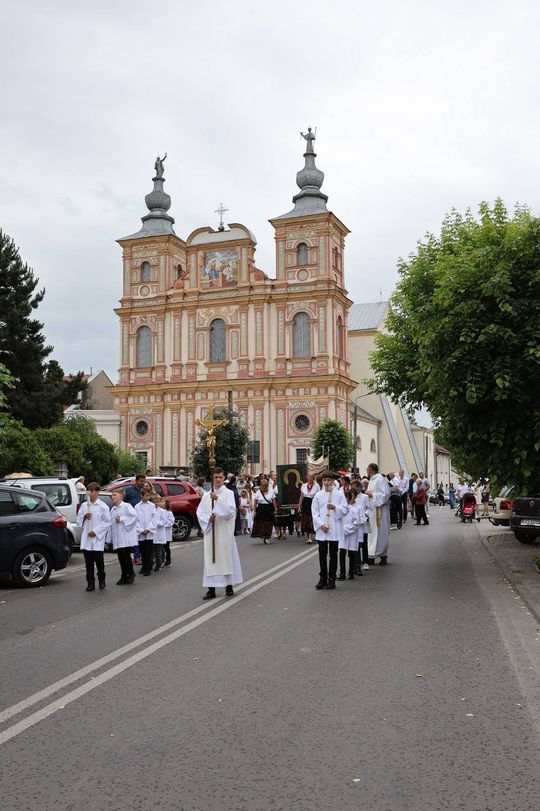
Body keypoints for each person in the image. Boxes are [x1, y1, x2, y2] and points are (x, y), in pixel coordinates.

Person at [196, 467, 243, 599]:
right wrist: (208, 519)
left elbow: (230, 512)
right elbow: (200, 512)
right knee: (211, 559)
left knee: (226, 558)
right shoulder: (206, 496)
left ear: (224, 478)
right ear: (212, 478)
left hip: (224, 532)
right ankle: (211, 589)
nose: (218, 480)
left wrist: (217, 500)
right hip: (211, 532)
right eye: (215, 477)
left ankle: (228, 586)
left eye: (220, 477)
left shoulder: (228, 494)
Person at [311, 471, 349, 590]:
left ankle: (332, 578)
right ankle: (323, 578)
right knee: (322, 554)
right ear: (322, 481)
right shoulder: (318, 495)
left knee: (333, 554)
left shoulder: (339, 494)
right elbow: (315, 512)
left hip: (334, 528)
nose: (326, 482)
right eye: (324, 480)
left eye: (328, 480)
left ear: (333, 481)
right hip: (322, 529)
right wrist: (321, 524)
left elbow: (345, 509)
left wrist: (335, 507)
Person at [76, 482, 112, 592]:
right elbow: (78, 521)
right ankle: (90, 582)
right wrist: (84, 517)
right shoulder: (84, 505)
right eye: (88, 491)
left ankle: (102, 579)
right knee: (88, 563)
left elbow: (107, 522)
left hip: (97, 538)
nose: (89, 493)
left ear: (97, 492)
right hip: (87, 538)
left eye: (91, 491)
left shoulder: (103, 506)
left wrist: (96, 531)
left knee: (99, 562)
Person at [366, 463, 391, 565]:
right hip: (372, 510)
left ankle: (382, 555)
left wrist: (372, 494)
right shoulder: (372, 479)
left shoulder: (380, 479)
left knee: (380, 533)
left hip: (380, 511)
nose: (366, 471)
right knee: (371, 533)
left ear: (371, 470)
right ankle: (371, 555)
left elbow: (385, 494)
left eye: (367, 469)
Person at [110, 489, 137, 585]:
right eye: (112, 495)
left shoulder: (126, 506)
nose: (112, 497)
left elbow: (134, 517)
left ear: (121, 496)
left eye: (114, 495)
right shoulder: (113, 509)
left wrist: (122, 519)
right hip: (117, 537)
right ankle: (124, 575)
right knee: (121, 557)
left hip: (125, 537)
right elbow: (111, 525)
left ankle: (131, 573)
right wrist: (110, 539)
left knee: (126, 556)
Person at [123, 474, 146, 564]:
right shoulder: (128, 490)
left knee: (142, 539)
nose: (143, 483)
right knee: (134, 538)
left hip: (143, 518)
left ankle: (143, 556)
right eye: (141, 481)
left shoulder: (145, 491)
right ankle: (136, 557)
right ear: (136, 481)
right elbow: (123, 502)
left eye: (144, 481)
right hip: (131, 519)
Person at [338, 489, 361, 580]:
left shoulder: (355, 509)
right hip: (342, 535)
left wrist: (346, 530)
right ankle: (342, 573)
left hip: (351, 534)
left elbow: (356, 523)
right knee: (342, 553)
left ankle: (351, 572)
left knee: (351, 553)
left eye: (348, 498)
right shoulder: (341, 510)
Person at [135, 489, 157, 576]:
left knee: (148, 551)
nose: (148, 497)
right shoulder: (137, 506)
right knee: (142, 551)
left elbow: (154, 518)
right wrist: (140, 530)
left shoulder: (151, 505)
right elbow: (135, 519)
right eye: (146, 495)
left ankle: (148, 568)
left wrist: (148, 529)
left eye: (149, 496)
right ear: (141, 495)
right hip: (141, 532)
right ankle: (144, 566)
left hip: (149, 532)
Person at [251, 478, 278, 544]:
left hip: (269, 509)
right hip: (261, 509)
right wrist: (254, 511)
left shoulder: (271, 492)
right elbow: (255, 502)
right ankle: (263, 536)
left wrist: (276, 509)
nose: (264, 487)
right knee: (261, 523)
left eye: (265, 486)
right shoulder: (258, 492)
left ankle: (267, 537)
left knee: (269, 524)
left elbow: (274, 501)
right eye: (263, 486)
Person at [298, 473, 320, 543]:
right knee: (305, 520)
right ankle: (308, 537)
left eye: (311, 477)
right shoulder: (304, 485)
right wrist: (299, 506)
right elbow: (301, 496)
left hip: (313, 503)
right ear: (307, 477)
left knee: (311, 520)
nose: (310, 478)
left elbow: (318, 497)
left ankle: (310, 537)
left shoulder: (317, 486)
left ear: (313, 478)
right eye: (309, 477)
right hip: (305, 503)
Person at [152, 495, 167, 571]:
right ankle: (154, 562)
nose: (156, 503)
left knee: (158, 550)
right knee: (153, 550)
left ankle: (159, 563)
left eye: (158, 501)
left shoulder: (161, 511)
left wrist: (156, 523)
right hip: (151, 534)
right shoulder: (150, 510)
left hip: (158, 533)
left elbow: (164, 522)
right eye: (154, 502)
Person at [162, 498, 175, 566]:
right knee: (162, 548)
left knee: (166, 547)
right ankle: (162, 559)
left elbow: (171, 522)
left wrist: (163, 524)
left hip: (166, 533)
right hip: (161, 533)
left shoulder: (169, 513)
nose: (160, 503)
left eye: (162, 501)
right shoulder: (160, 511)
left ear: (166, 503)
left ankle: (168, 560)